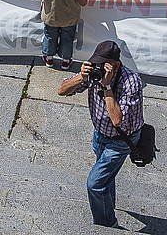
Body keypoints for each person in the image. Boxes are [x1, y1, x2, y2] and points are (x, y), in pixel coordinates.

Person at [57, 40, 145, 229]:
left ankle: (106, 224)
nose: (101, 68)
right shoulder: (93, 73)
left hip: (122, 140)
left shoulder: (131, 82)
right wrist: (81, 77)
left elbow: (118, 121)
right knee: (105, 179)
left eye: (105, 65)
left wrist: (107, 86)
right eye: (97, 63)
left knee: (94, 184)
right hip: (100, 135)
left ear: (116, 64)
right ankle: (108, 206)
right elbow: (61, 90)